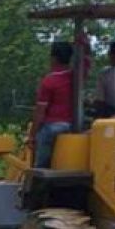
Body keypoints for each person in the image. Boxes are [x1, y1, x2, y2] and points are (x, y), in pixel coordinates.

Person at [30, 41, 75, 169]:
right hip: (74, 124)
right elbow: (87, 61)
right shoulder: (75, 76)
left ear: (53, 58)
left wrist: (32, 135)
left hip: (54, 125)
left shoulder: (49, 81)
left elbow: (40, 112)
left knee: (41, 160)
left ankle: (39, 174)